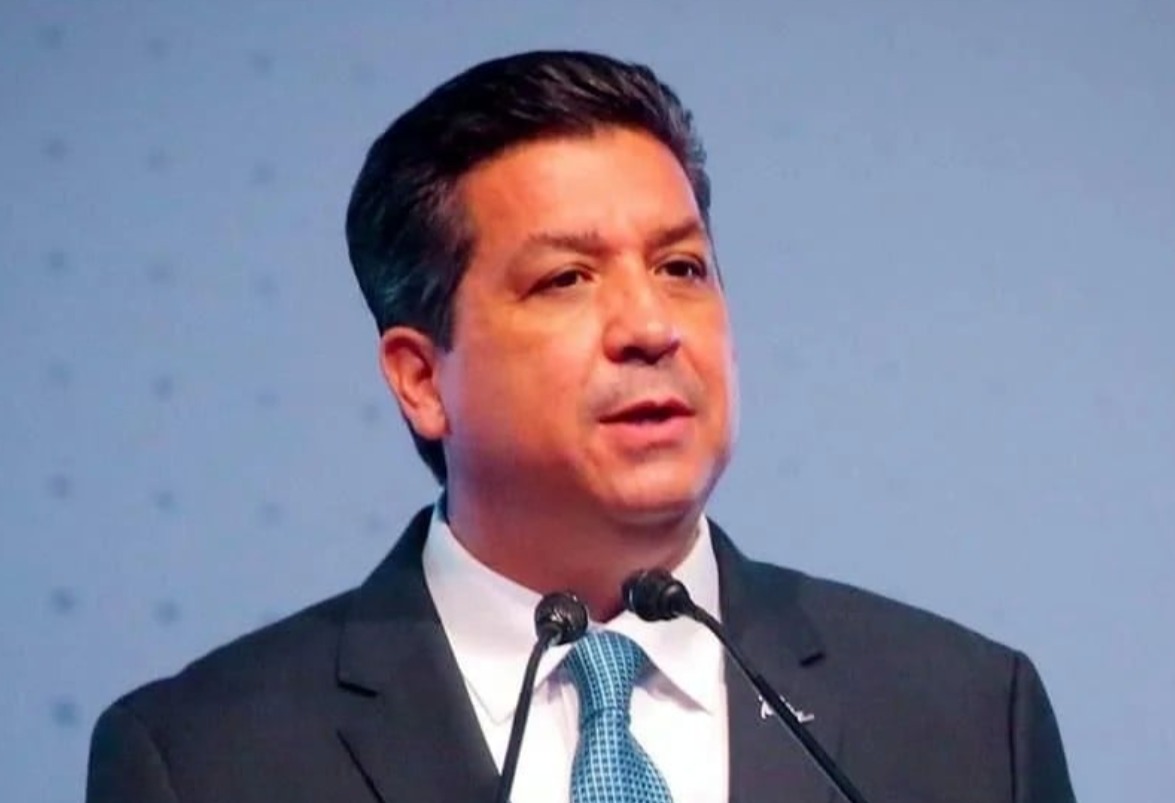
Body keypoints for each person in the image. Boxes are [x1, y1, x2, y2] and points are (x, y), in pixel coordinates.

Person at [86, 50, 1076, 803]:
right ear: (421, 379)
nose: (649, 326)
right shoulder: (205, 759)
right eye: (565, 278)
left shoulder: (963, 718)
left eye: (681, 267)